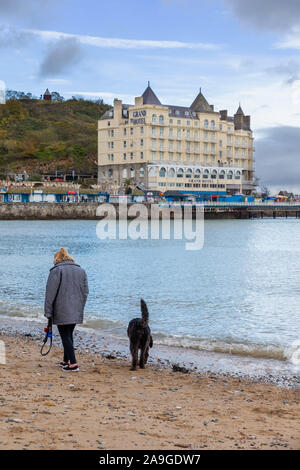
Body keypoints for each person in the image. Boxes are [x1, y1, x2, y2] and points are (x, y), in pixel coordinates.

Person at [44, 247, 89, 371]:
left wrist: (48, 312)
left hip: (61, 309)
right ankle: (66, 361)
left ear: (57, 259)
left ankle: (73, 364)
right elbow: (85, 292)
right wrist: (80, 306)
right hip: (76, 309)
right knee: (68, 334)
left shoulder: (56, 270)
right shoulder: (81, 271)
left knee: (65, 335)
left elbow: (50, 293)